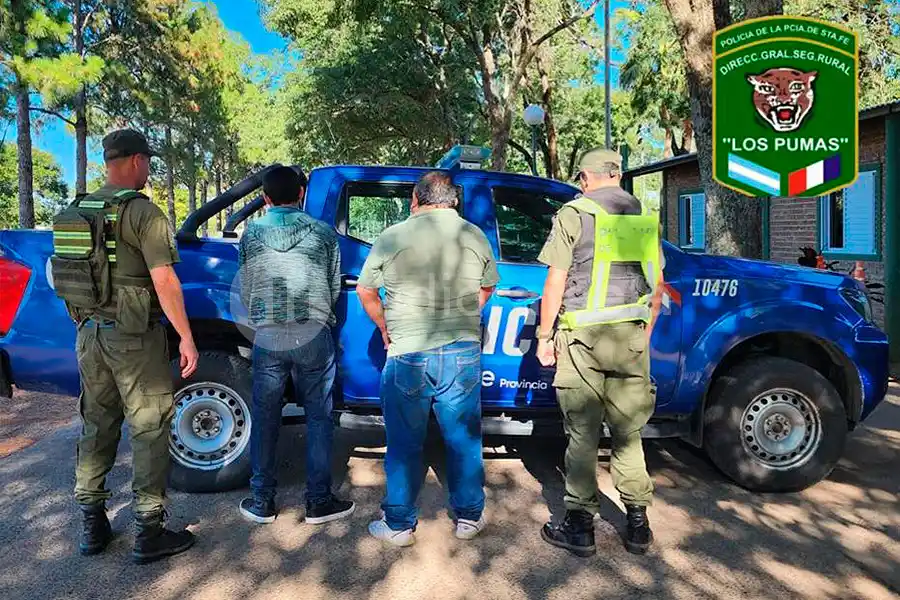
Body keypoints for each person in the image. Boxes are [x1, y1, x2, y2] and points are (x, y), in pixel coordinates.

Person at [51, 129, 199, 564]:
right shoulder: (142, 213)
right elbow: (164, 280)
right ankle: (148, 531)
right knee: (149, 426)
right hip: (134, 339)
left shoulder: (77, 210)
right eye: (147, 161)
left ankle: (92, 524)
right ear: (135, 160)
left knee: (96, 424)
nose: (148, 168)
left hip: (89, 335)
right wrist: (186, 337)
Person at [357, 171, 499, 547]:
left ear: (415, 200)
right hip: (462, 353)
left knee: (404, 443)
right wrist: (465, 315)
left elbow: (366, 290)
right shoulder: (474, 235)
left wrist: (384, 326)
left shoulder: (393, 236)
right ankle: (469, 517)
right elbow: (488, 285)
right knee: (464, 440)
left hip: (407, 352)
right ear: (453, 200)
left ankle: (399, 525)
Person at [534, 148, 663, 557]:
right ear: (617, 175)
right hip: (630, 339)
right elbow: (656, 288)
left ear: (586, 178)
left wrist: (544, 336)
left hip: (582, 340)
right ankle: (638, 524)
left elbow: (555, 280)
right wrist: (644, 334)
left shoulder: (574, 213)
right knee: (628, 433)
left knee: (582, 433)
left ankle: (579, 527)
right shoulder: (641, 216)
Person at [237, 166, 355, 525]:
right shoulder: (323, 233)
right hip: (312, 332)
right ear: (301, 193)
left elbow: (245, 287)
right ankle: (318, 502)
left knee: (266, 416)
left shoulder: (251, 234)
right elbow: (333, 286)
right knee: (319, 417)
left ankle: (262, 501)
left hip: (269, 334)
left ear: (266, 198)